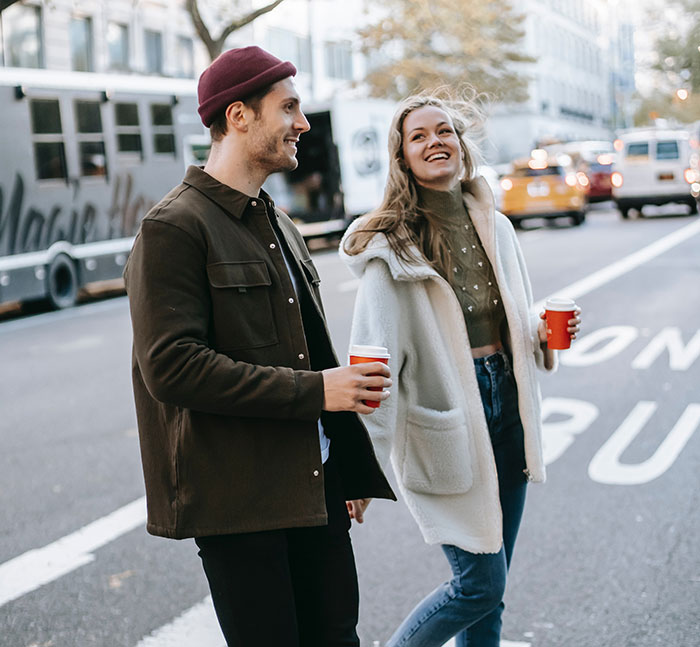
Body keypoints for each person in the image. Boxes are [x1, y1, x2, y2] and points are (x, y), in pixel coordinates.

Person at [123, 45, 395, 647]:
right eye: (290, 108)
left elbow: (309, 353)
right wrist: (318, 392)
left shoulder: (277, 220)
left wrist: (346, 465)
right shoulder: (173, 228)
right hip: (241, 502)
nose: (303, 123)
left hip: (315, 486)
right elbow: (172, 367)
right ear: (239, 116)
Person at [339, 91, 581, 647]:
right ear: (402, 157)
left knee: (491, 595)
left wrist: (543, 334)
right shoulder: (392, 248)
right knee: (477, 586)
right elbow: (372, 360)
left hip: (508, 408)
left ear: (461, 143)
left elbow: (511, 320)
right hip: (447, 416)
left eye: (443, 131)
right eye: (418, 136)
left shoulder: (497, 225)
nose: (434, 142)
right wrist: (360, 462)